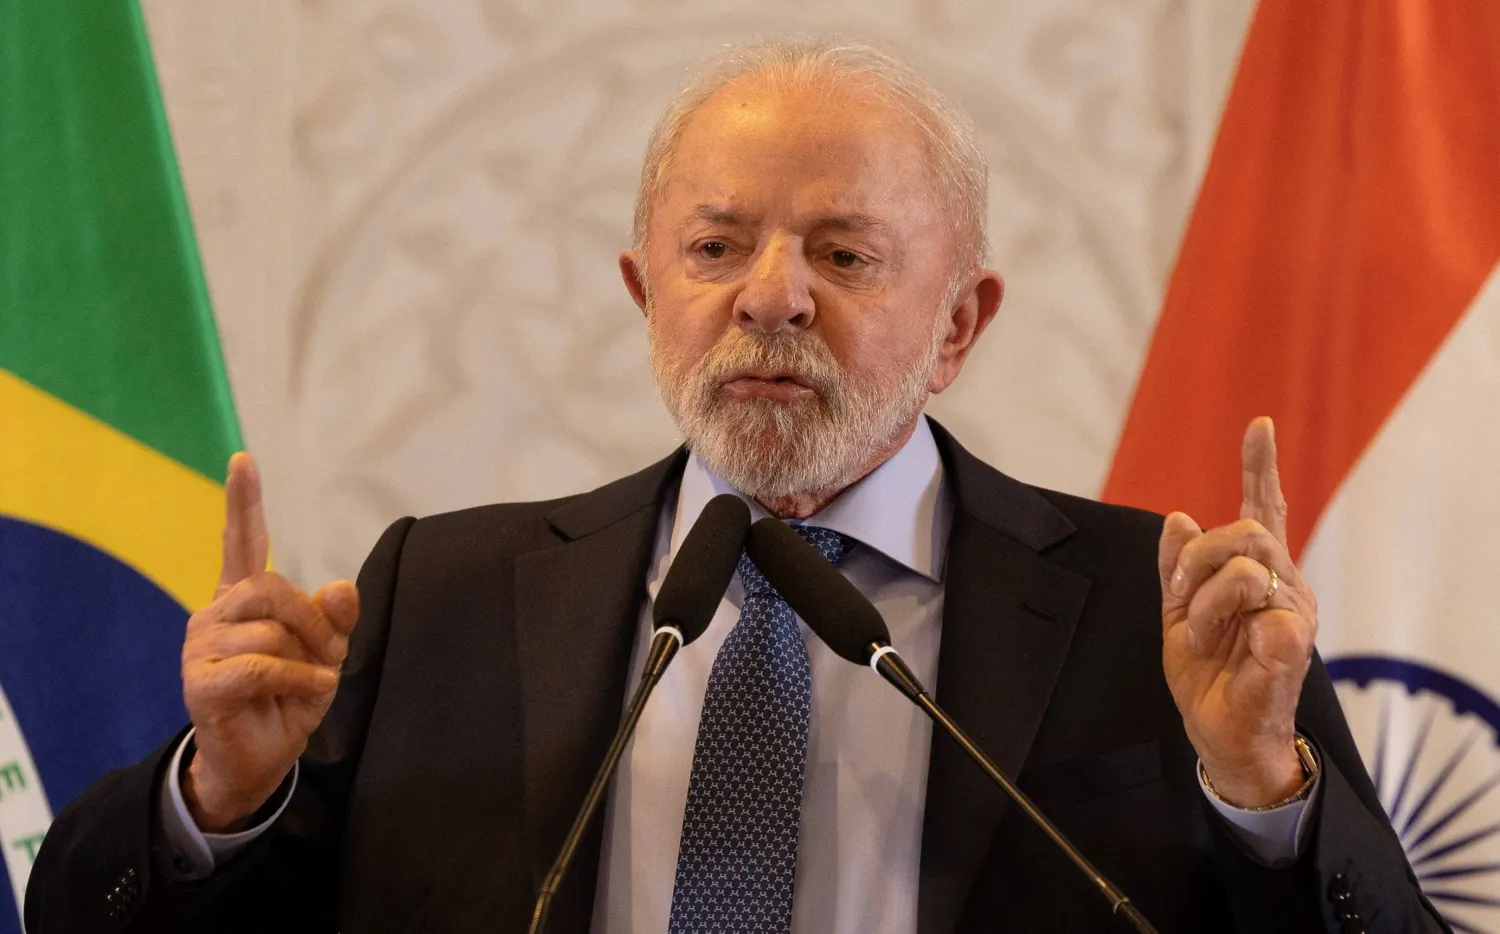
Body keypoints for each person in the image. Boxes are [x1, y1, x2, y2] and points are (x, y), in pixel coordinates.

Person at [27, 40, 1444, 934]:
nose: (772, 300)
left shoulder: (1169, 623)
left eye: (844, 253)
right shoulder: (437, 597)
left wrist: (1263, 785)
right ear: (647, 293)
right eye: (715, 250)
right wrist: (221, 797)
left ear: (960, 323)